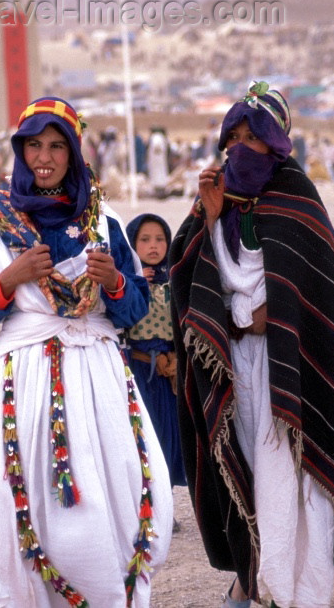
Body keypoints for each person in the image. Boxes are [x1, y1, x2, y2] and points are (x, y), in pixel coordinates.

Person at [169, 81, 334, 608]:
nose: (240, 148)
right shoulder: (213, 201)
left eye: (253, 136)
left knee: (301, 483)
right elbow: (187, 281)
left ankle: (299, 594)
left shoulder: (298, 200)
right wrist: (213, 216)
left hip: (295, 371)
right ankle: (254, 584)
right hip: (239, 370)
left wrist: (280, 317)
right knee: (249, 475)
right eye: (233, 138)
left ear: (278, 142)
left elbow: (324, 296)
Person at [0, 97, 173, 608]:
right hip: (24, 383)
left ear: (74, 152)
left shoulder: (104, 222)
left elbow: (135, 309)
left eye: (57, 146)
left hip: (97, 380)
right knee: (29, 503)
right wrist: (9, 279)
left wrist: (116, 282)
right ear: (20, 151)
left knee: (107, 501)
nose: (45, 157)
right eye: (34, 145)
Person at [125, 214, 187, 530]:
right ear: (132, 244)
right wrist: (134, 284)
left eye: (160, 239)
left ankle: (164, 508)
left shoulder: (176, 278)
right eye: (145, 240)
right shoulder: (126, 281)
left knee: (169, 439)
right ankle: (142, 509)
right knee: (141, 439)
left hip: (170, 376)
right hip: (139, 373)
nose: (153, 246)